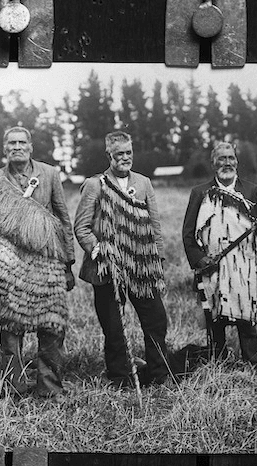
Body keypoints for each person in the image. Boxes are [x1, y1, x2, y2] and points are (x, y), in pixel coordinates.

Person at [0, 126, 75, 399]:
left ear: (31, 147)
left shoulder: (50, 174)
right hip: (9, 264)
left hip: (46, 261)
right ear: (4, 149)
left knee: (52, 326)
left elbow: (63, 218)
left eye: (22, 142)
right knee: (10, 328)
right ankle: (12, 387)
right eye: (11, 143)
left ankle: (49, 388)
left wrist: (68, 263)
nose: (17, 147)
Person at [74, 131, 171, 388]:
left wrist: (158, 260)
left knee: (156, 320)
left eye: (129, 153)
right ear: (109, 155)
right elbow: (81, 227)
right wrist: (99, 249)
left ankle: (159, 375)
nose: (125, 158)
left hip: (141, 266)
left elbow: (154, 225)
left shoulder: (143, 183)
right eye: (120, 154)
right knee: (114, 327)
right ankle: (121, 377)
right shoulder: (96, 185)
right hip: (107, 269)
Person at [182, 142, 257, 372]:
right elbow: (188, 234)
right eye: (221, 158)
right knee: (215, 315)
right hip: (213, 266)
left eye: (231, 158)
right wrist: (200, 261)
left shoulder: (250, 191)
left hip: (243, 267)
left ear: (237, 161)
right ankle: (218, 361)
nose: (227, 163)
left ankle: (255, 362)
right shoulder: (200, 193)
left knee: (245, 314)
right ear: (213, 163)